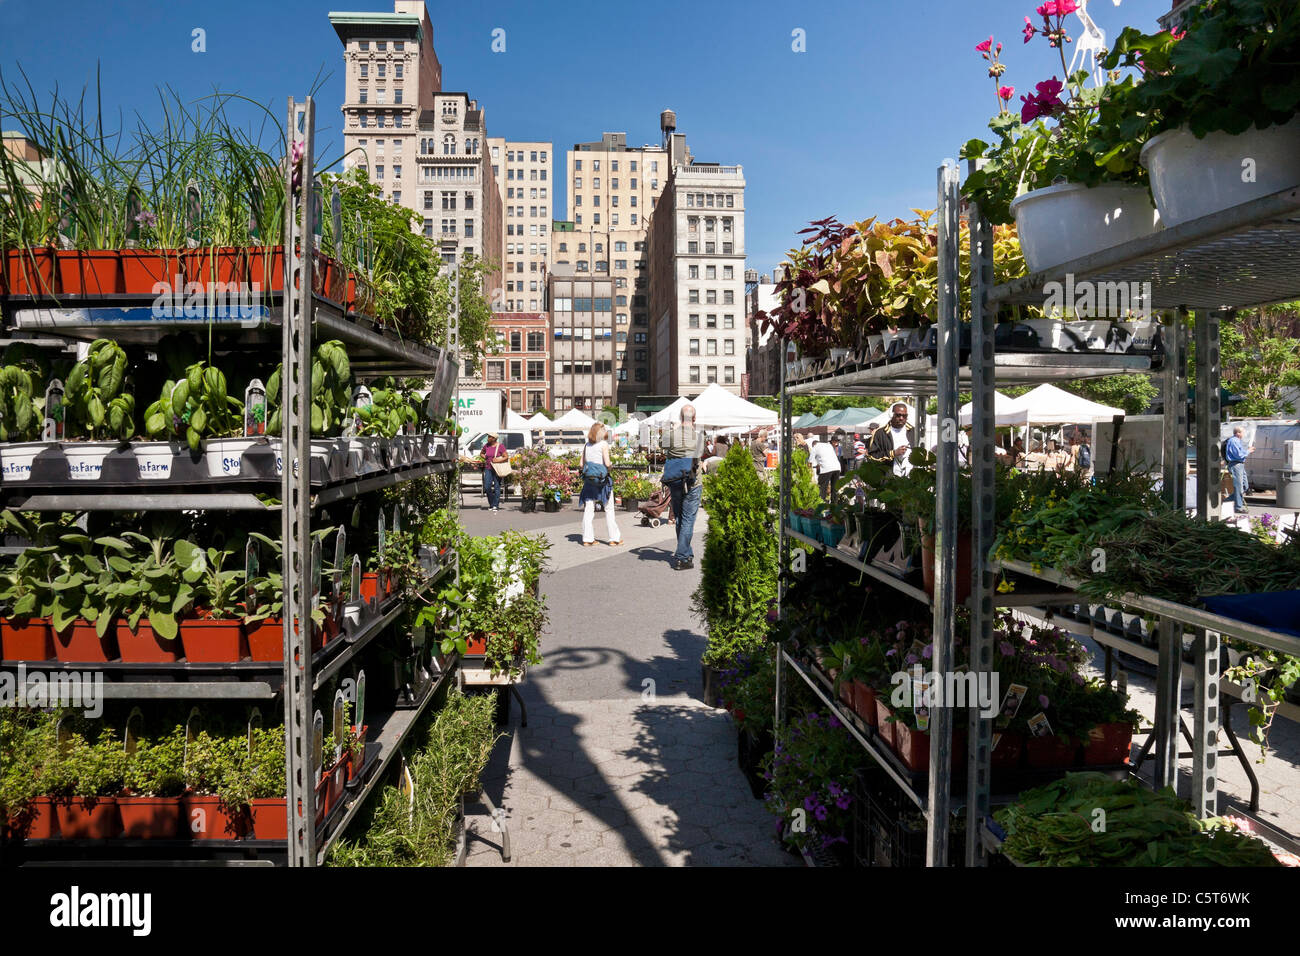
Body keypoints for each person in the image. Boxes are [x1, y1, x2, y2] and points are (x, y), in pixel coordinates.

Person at [663, 403, 706, 570]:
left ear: (681, 417)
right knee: (688, 520)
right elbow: (700, 455)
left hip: (674, 481)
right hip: (693, 482)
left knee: (680, 518)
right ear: (694, 418)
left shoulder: (670, 435)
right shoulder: (698, 437)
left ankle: (686, 554)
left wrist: (674, 429)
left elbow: (663, 447)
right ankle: (682, 557)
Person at [579, 422, 621, 547]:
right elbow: (607, 463)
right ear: (600, 433)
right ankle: (613, 538)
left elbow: (581, 464)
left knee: (589, 509)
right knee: (609, 508)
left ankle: (587, 538)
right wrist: (610, 466)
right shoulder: (603, 444)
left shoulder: (587, 445)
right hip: (602, 480)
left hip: (589, 481)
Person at [867, 403, 918, 477]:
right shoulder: (880, 433)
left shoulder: (913, 432)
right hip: (889, 480)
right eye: (898, 415)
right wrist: (893, 453)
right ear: (891, 415)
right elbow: (872, 456)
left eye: (904, 416)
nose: (901, 418)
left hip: (910, 480)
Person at [1224, 425, 1254, 515]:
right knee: (1239, 487)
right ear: (1238, 433)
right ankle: (1238, 507)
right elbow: (1239, 455)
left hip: (1239, 465)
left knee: (1245, 486)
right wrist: (1248, 451)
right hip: (1236, 464)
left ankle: (1226, 502)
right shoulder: (1233, 441)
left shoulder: (1237, 441)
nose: (1244, 434)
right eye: (1242, 432)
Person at [481, 431, 508, 513]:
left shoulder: (500, 446)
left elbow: (506, 457)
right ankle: (492, 503)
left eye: (489, 437)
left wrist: (498, 460)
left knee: (497, 487)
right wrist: (485, 457)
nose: (487, 438)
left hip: (497, 469)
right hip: (488, 468)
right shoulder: (487, 446)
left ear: (494, 438)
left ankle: (495, 505)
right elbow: (481, 453)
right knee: (487, 487)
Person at [811, 432, 841, 499]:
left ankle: (822, 504)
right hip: (837, 468)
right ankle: (834, 505)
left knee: (822, 487)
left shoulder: (815, 447)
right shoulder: (828, 445)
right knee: (834, 488)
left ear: (813, 445)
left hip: (826, 469)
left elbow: (810, 461)